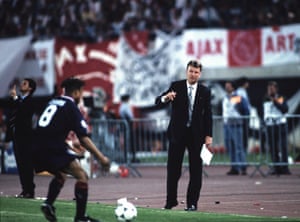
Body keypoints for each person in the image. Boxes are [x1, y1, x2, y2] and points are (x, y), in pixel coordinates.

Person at [32, 78, 110, 222]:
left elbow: (47, 127)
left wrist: (65, 146)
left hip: (36, 146)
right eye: (81, 92)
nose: (81, 96)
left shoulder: (52, 101)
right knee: (82, 175)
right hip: (52, 146)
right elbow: (83, 138)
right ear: (76, 92)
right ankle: (80, 218)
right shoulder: (71, 106)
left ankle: (48, 204)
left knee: (61, 174)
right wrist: (101, 157)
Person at [155, 60, 213, 211]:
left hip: (196, 136)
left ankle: (192, 203)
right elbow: (158, 102)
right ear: (186, 72)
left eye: (196, 72)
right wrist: (165, 98)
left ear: (200, 74)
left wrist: (209, 136)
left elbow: (208, 115)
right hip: (177, 134)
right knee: (173, 169)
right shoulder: (176, 86)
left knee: (196, 170)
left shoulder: (205, 91)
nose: (193, 74)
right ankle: (170, 201)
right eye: (190, 71)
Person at [6, 78, 37, 198]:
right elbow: (12, 112)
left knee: (27, 164)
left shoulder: (30, 101)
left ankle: (30, 189)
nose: (21, 85)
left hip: (26, 137)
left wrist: (15, 98)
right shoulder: (18, 100)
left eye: (25, 83)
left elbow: (24, 111)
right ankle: (24, 189)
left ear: (30, 88)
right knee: (20, 164)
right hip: (16, 136)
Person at [263, 81, 291, 175]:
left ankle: (285, 167)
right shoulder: (265, 99)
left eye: (272, 88)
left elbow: (284, 109)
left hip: (280, 125)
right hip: (270, 126)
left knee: (283, 147)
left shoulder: (280, 98)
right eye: (269, 88)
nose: (270, 90)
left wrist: (275, 101)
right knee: (273, 147)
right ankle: (276, 167)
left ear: (276, 89)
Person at [222, 81, 249, 175]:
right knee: (231, 147)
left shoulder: (236, 97)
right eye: (226, 86)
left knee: (238, 147)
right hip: (227, 124)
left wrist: (242, 119)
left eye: (228, 86)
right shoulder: (225, 97)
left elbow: (245, 109)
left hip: (236, 124)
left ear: (233, 88)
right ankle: (234, 167)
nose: (226, 88)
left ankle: (243, 166)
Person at [118, 94, 139, 163]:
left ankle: (126, 158)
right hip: (127, 126)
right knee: (129, 142)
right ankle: (131, 158)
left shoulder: (121, 106)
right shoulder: (126, 106)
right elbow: (130, 116)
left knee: (126, 142)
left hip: (124, 126)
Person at [235, 77, 251, 152]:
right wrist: (243, 113)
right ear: (244, 83)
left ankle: (244, 149)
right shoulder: (239, 92)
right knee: (243, 134)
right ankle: (242, 149)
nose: (248, 84)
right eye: (247, 83)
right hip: (243, 116)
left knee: (245, 133)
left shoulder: (243, 91)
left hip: (245, 115)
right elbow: (238, 105)